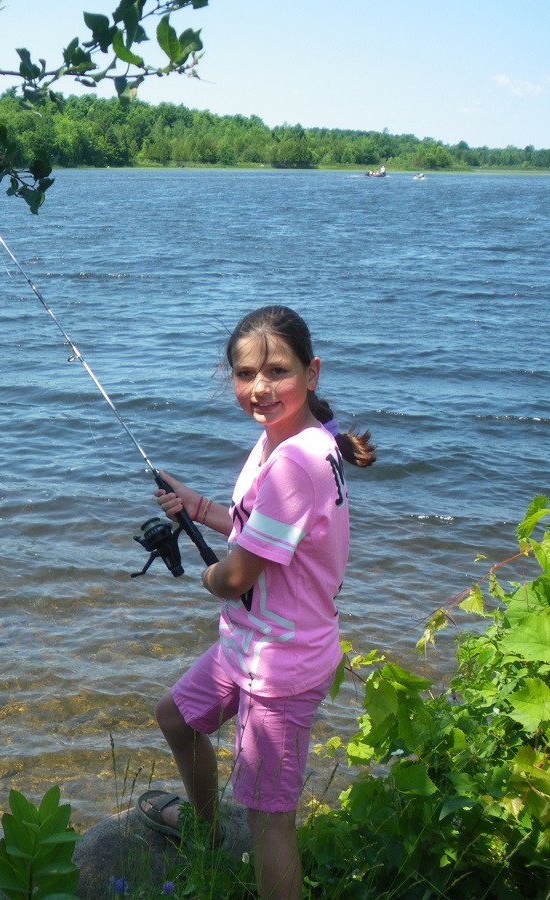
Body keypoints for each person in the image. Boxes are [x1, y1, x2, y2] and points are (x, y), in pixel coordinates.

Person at [136, 305, 376, 899]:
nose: (260, 388)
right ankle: (206, 829)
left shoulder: (295, 461)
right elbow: (254, 527)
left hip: (281, 663)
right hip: (250, 644)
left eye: (277, 371)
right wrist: (195, 506)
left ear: (311, 372)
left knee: (270, 819)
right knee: (177, 717)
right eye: (246, 374)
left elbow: (238, 573)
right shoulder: (285, 441)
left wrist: (209, 579)